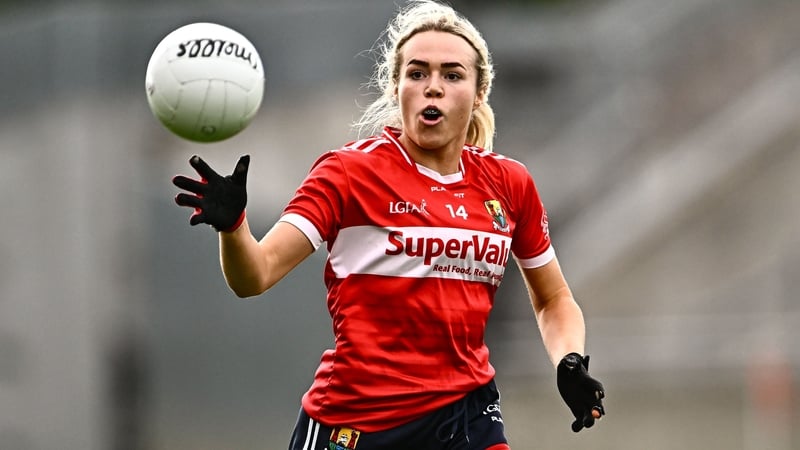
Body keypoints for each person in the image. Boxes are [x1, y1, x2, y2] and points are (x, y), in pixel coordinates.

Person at [172, 1, 605, 448]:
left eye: (452, 75)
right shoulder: (347, 174)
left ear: (478, 94)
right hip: (358, 422)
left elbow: (553, 297)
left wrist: (568, 360)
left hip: (465, 415)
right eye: (417, 74)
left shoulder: (509, 184)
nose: (432, 88)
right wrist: (233, 226)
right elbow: (254, 275)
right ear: (395, 86)